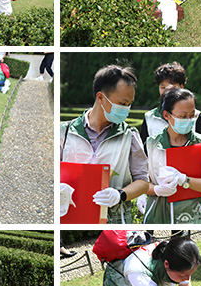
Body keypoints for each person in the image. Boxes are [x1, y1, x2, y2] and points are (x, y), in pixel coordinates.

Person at [60, 64, 148, 223]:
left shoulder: (129, 135)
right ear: (100, 97)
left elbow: (143, 181)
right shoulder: (64, 132)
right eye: (122, 103)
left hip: (115, 221)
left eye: (129, 104)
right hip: (71, 217)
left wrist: (120, 195)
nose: (127, 109)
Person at [138, 87, 201, 223]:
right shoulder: (152, 144)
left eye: (192, 115)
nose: (188, 120)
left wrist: (185, 180)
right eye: (182, 116)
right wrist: (156, 190)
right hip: (159, 215)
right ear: (166, 115)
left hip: (192, 216)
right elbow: (141, 183)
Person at [139, 62, 201, 143]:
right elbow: (143, 149)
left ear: (181, 87)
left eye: (172, 87)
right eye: (163, 87)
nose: (167, 91)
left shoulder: (196, 117)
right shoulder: (150, 118)